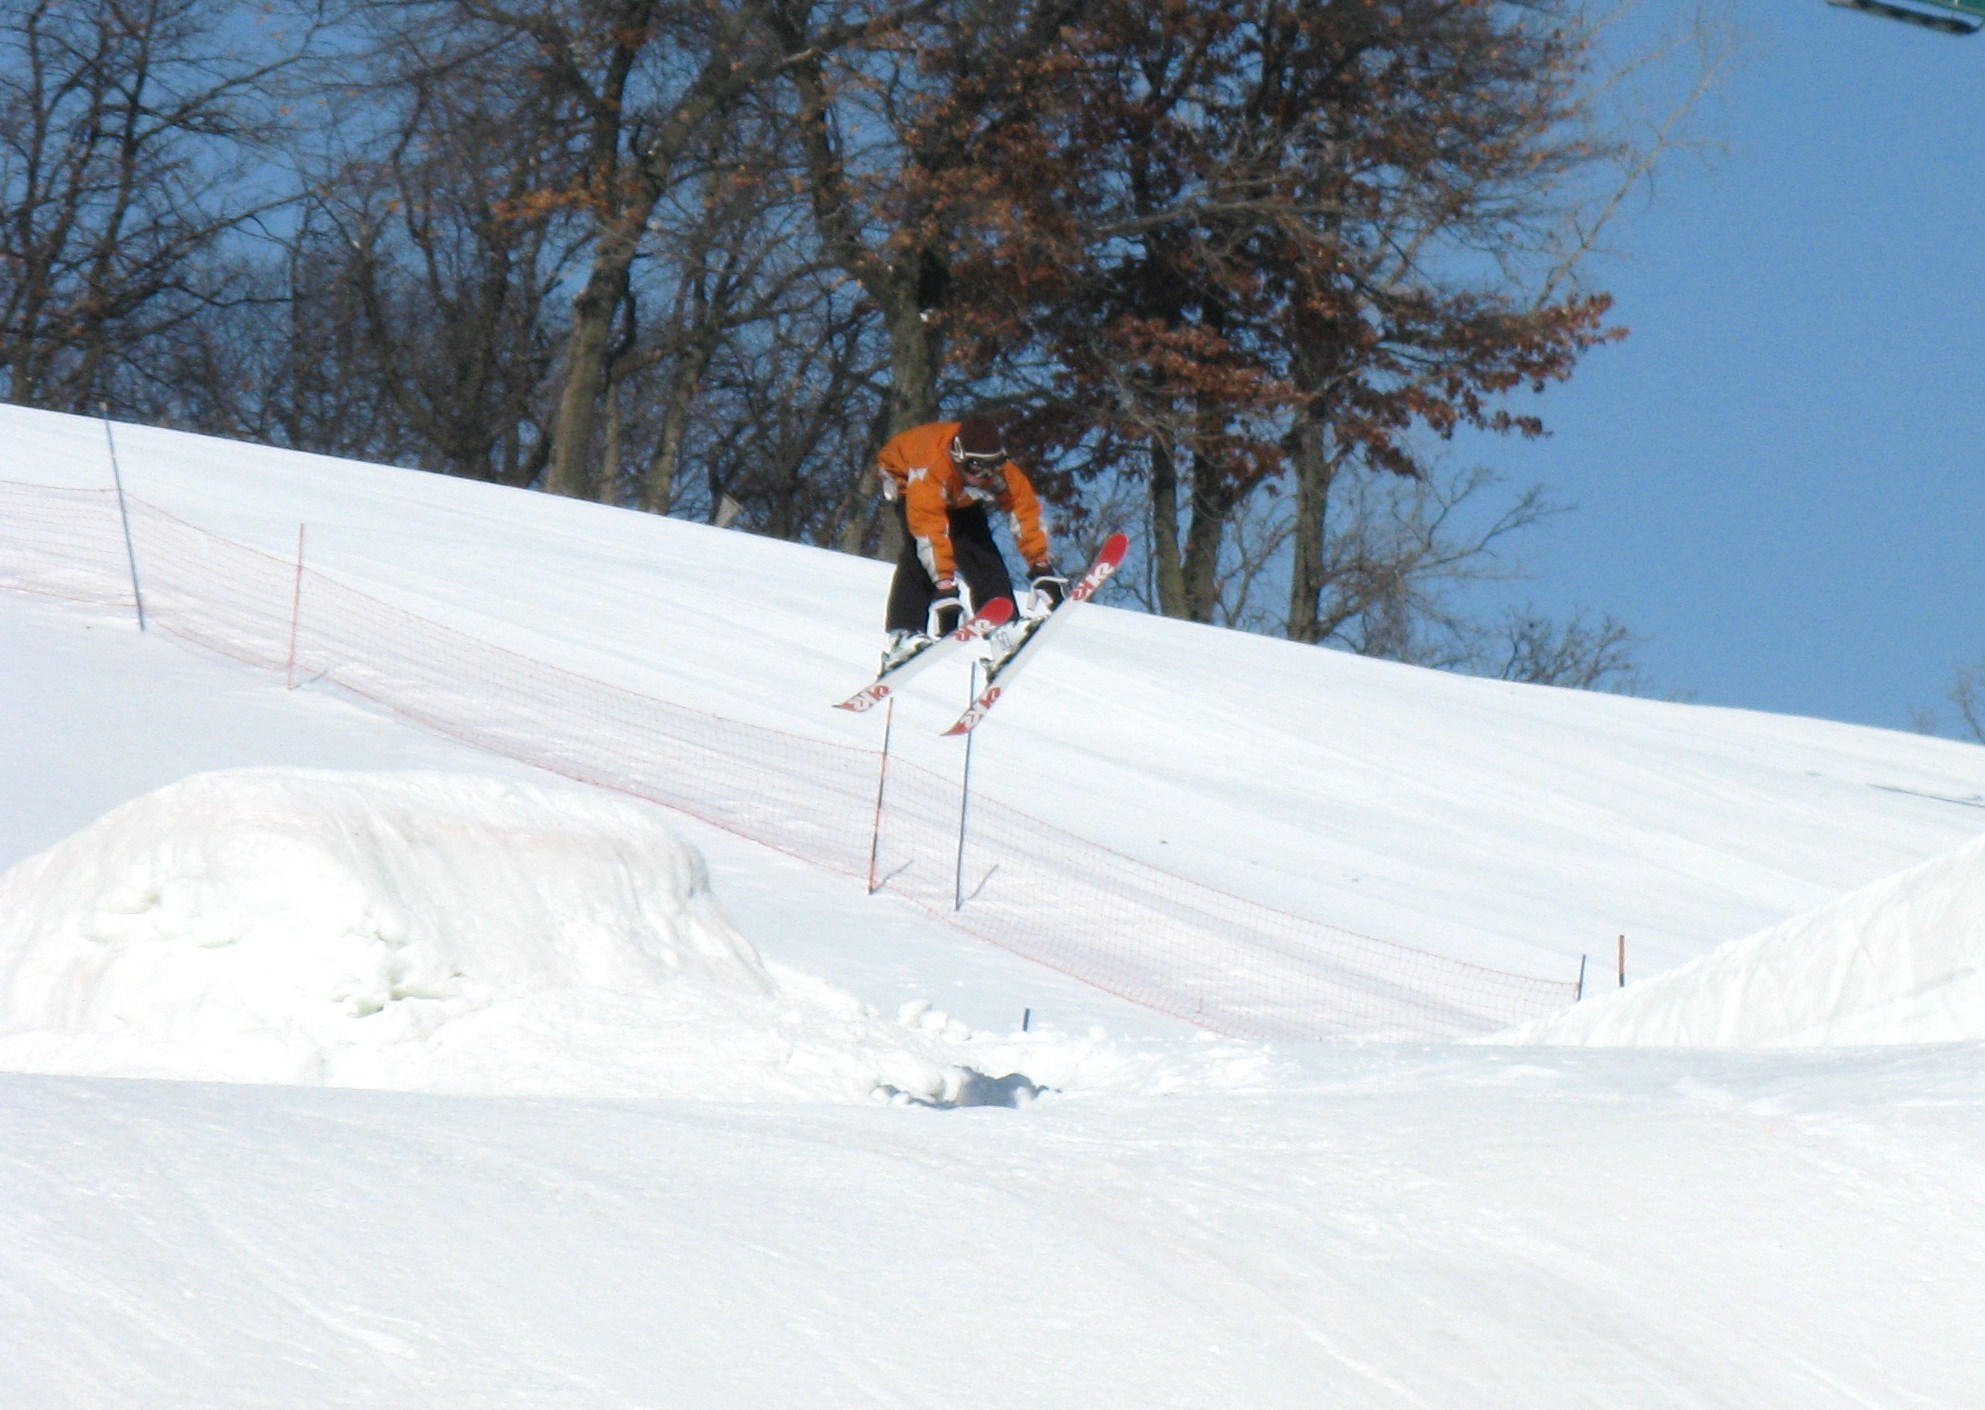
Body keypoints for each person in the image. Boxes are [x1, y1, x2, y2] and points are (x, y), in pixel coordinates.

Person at [875, 415, 1065, 669]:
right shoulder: (931, 468)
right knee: (917, 553)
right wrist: (945, 589)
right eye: (977, 468)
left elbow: (1025, 512)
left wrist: (1041, 566)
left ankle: (1004, 628)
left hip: (958, 492)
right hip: (906, 480)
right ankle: (903, 634)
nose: (986, 476)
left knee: (980, 546)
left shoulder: (999, 474)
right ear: (959, 458)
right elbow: (929, 532)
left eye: (993, 467)